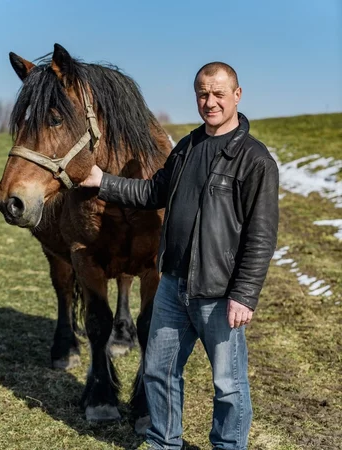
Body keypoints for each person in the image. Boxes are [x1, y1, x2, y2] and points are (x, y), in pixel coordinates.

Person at [81, 62, 279, 450]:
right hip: (173, 284)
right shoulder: (187, 147)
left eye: (219, 94)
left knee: (228, 385)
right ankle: (164, 443)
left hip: (220, 293)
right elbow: (153, 193)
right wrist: (104, 182)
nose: (210, 102)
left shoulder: (255, 160)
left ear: (237, 95)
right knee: (158, 372)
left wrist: (245, 293)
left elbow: (262, 235)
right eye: (203, 94)